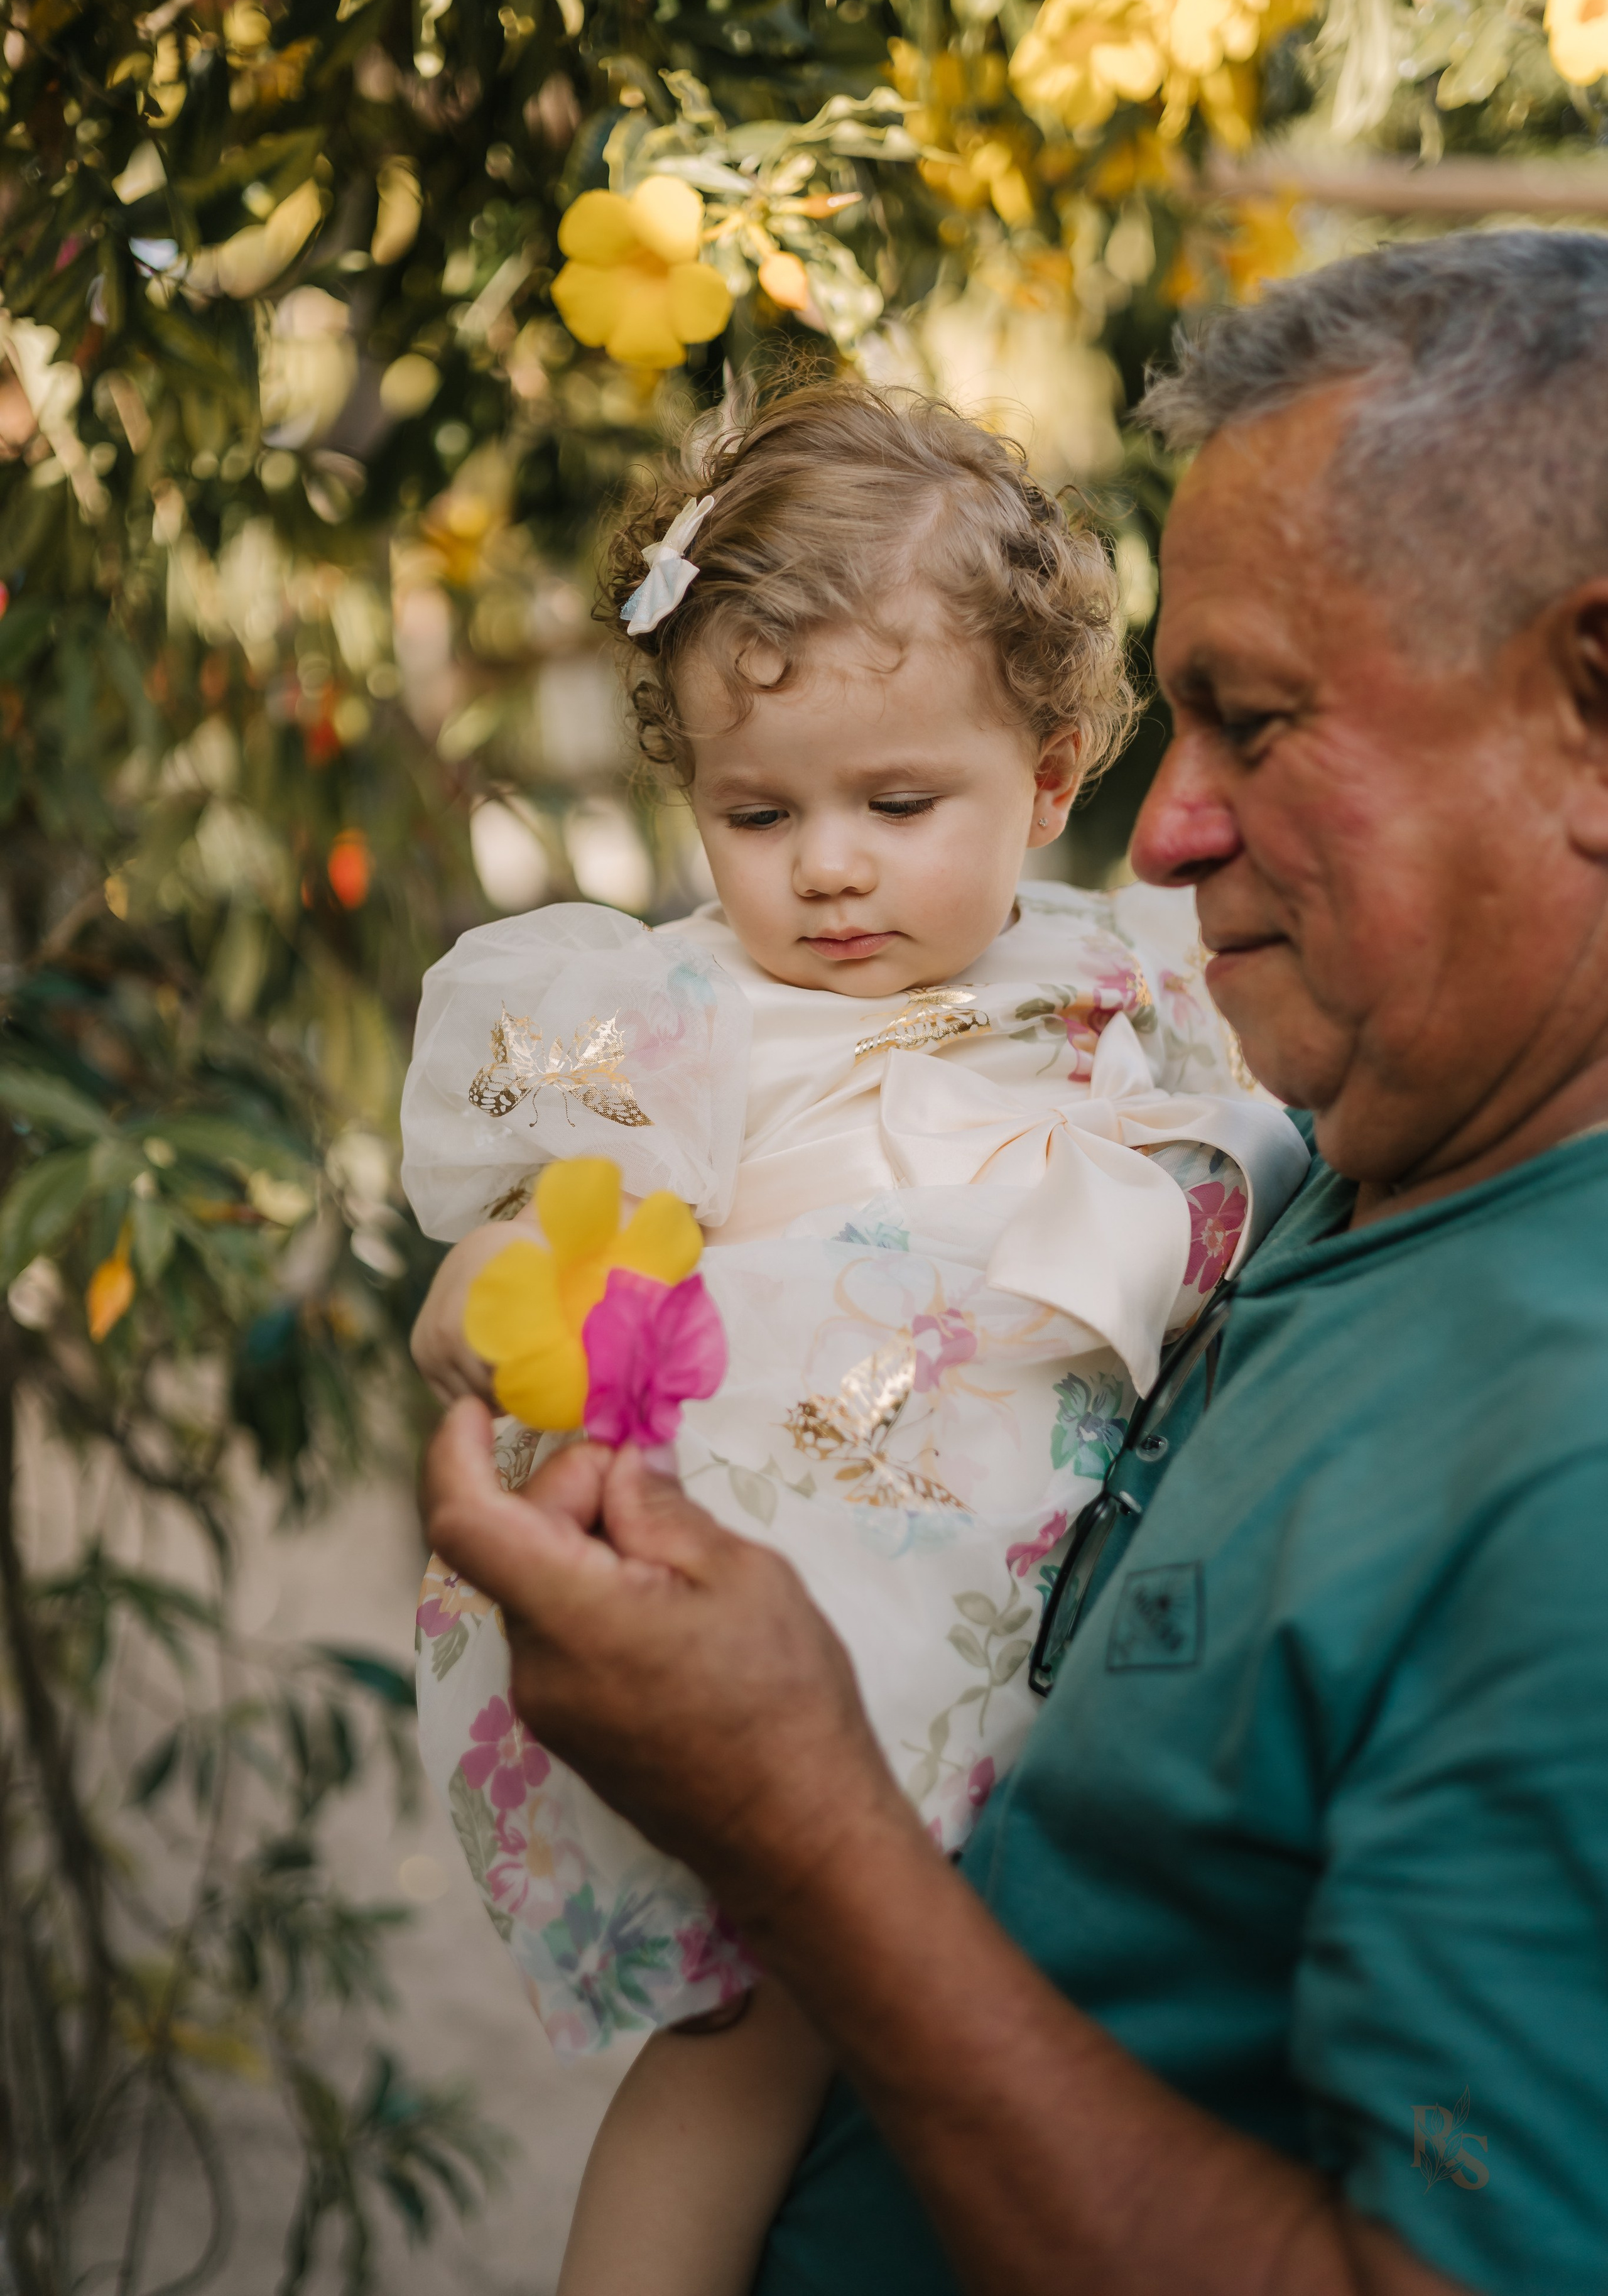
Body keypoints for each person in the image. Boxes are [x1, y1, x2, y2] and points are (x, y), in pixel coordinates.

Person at [418, 229, 1608, 2296]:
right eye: (762, 813)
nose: (1161, 835)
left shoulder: (1558, 1463)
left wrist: (811, 1835)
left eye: (1257, 722)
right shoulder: (1335, 1135)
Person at [399, 381, 1307, 2293]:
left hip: (1038, 1620)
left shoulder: (1123, 977)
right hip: (786, 1615)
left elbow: (1255, 1148)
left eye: (899, 806)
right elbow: (511, 1251)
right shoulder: (676, 1018)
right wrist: (519, 1308)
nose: (826, 865)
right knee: (760, 2028)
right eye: (759, 813)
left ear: (1049, 779)